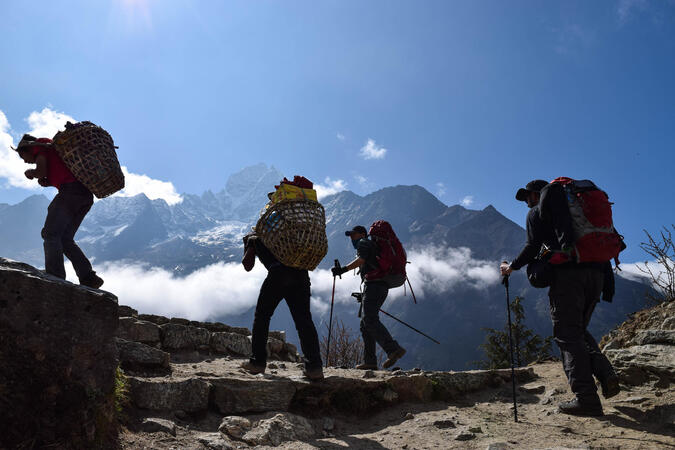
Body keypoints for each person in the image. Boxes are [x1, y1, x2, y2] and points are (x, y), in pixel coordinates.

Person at [500, 179, 620, 417]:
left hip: (569, 277)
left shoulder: (538, 213)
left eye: (528, 197)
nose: (526, 202)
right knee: (577, 330)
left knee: (567, 335)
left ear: (538, 195)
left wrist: (511, 267)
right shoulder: (577, 208)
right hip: (597, 274)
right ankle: (605, 374)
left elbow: (533, 246)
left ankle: (586, 399)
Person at [14, 134, 103, 288]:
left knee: (50, 234)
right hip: (85, 196)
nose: (24, 160)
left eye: (23, 156)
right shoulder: (54, 151)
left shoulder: (40, 149)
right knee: (65, 239)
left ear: (28, 148)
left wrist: (31, 172)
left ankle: (55, 277)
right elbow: (60, 173)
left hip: (69, 193)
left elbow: (40, 171)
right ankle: (88, 277)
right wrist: (48, 182)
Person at [240, 232, 324, 380]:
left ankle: (257, 362)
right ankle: (314, 368)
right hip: (301, 276)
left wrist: (247, 245)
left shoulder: (257, 239)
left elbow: (248, 265)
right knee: (304, 321)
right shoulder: (295, 237)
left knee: (262, 317)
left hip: (278, 276)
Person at [332, 225, 406, 370]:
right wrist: (364, 294)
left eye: (353, 234)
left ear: (362, 234)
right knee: (365, 324)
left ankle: (393, 349)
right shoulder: (372, 245)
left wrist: (343, 269)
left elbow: (361, 260)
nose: (351, 238)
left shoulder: (364, 243)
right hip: (378, 287)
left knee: (369, 319)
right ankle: (370, 362)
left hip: (374, 286)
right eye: (350, 235)